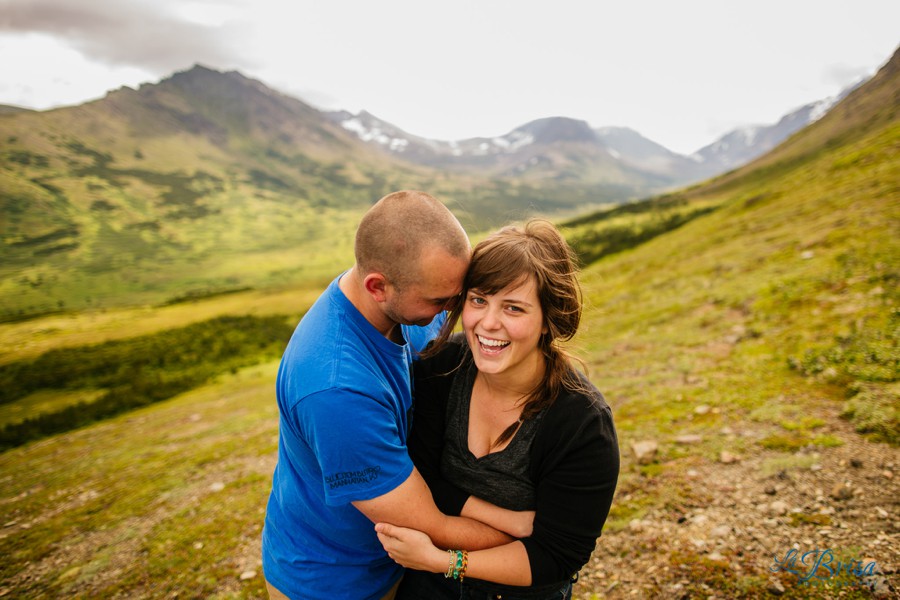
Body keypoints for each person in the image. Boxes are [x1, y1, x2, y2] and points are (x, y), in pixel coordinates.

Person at [261, 191, 517, 600]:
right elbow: (430, 526)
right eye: (439, 301)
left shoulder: (403, 297)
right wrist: (539, 536)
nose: (452, 311)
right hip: (334, 582)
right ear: (377, 286)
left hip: (396, 563)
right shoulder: (335, 390)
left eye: (457, 294)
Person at [375, 219, 620, 600]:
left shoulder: (582, 424)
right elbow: (421, 479)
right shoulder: (442, 367)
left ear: (548, 320)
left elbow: (557, 555)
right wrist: (509, 520)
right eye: (478, 300)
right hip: (428, 587)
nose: (488, 323)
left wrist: (444, 561)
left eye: (513, 308)